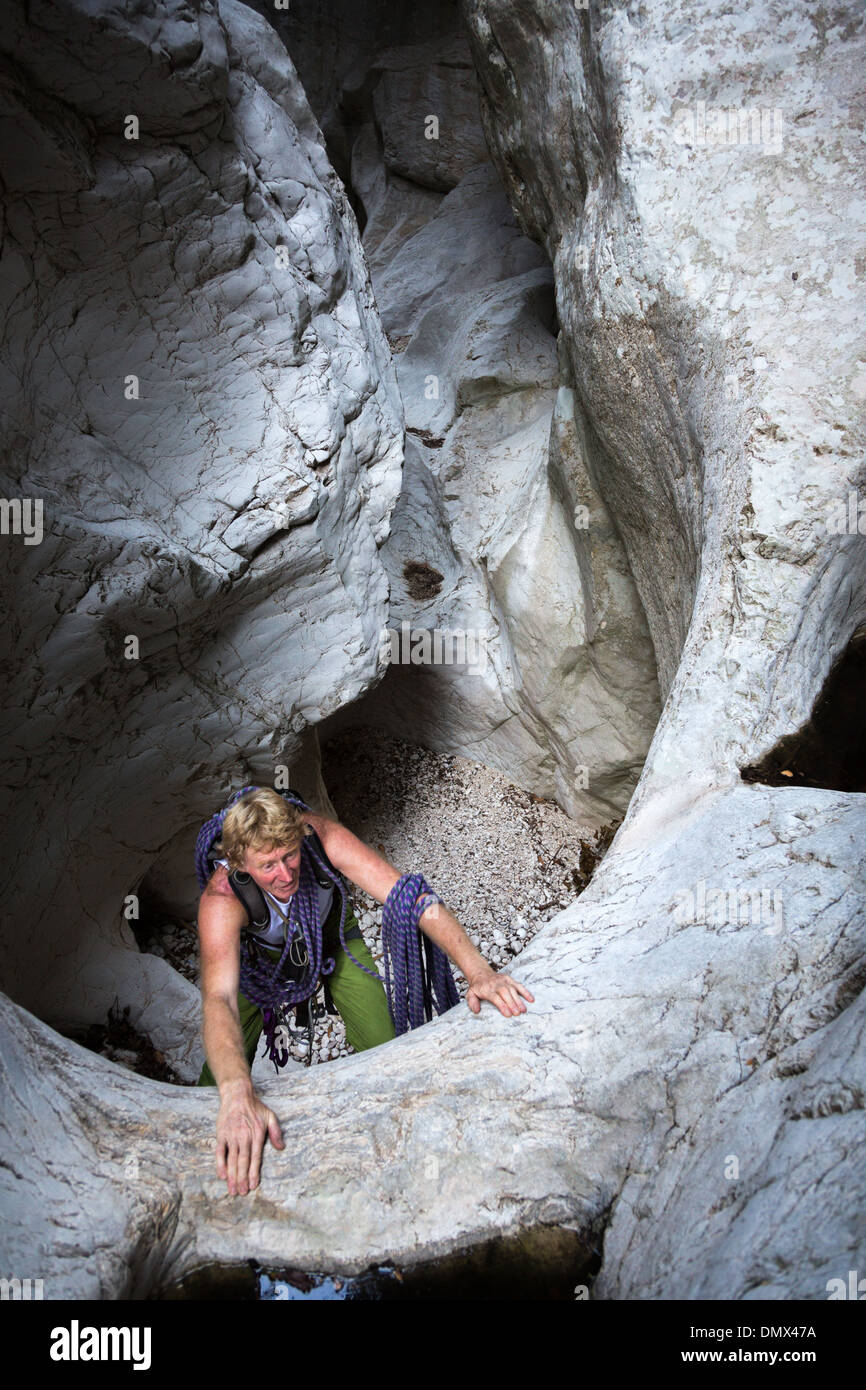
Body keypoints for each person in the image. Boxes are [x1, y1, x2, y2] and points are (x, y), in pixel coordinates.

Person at [196, 787, 535, 1197]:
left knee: (386, 1048)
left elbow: (412, 899)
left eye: (290, 855)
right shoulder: (222, 898)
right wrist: (236, 1094)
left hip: (333, 940)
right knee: (215, 1089)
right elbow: (220, 998)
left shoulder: (320, 838)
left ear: (300, 836)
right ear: (240, 863)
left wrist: (480, 972)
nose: (285, 875)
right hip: (260, 967)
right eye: (268, 865)